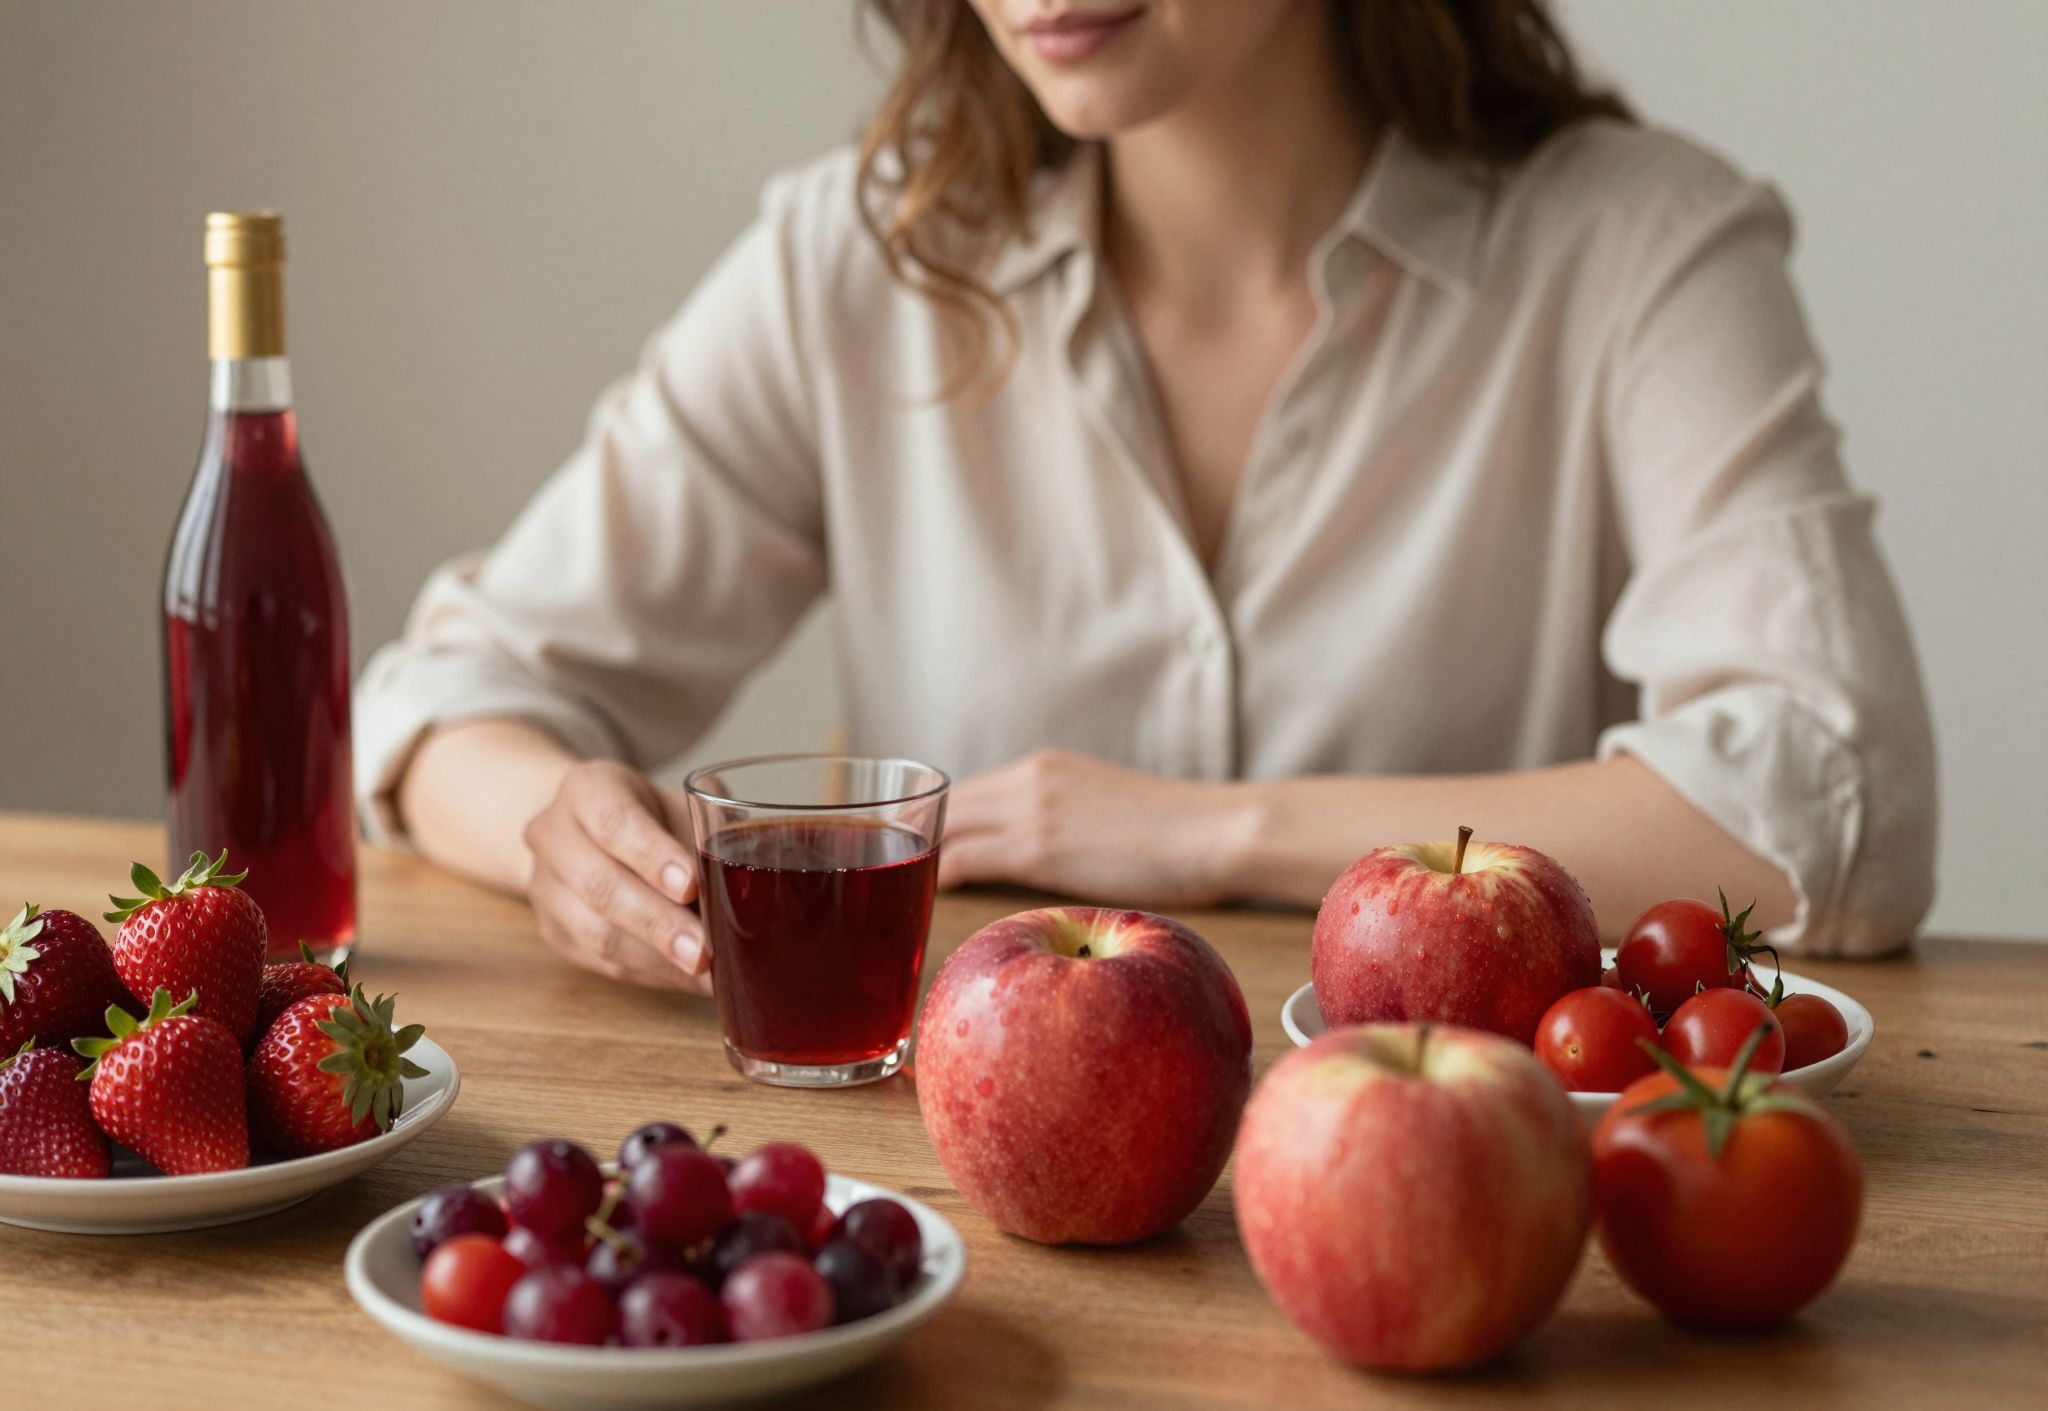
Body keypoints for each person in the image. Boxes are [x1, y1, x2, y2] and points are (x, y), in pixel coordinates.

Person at [356, 0, 1936, 995]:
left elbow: (1832, 804)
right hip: (963, 1240)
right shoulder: (856, 258)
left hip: (1501, 1233)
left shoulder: (1645, 249)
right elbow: (446, 699)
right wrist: (566, 838)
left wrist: (1210, 837)